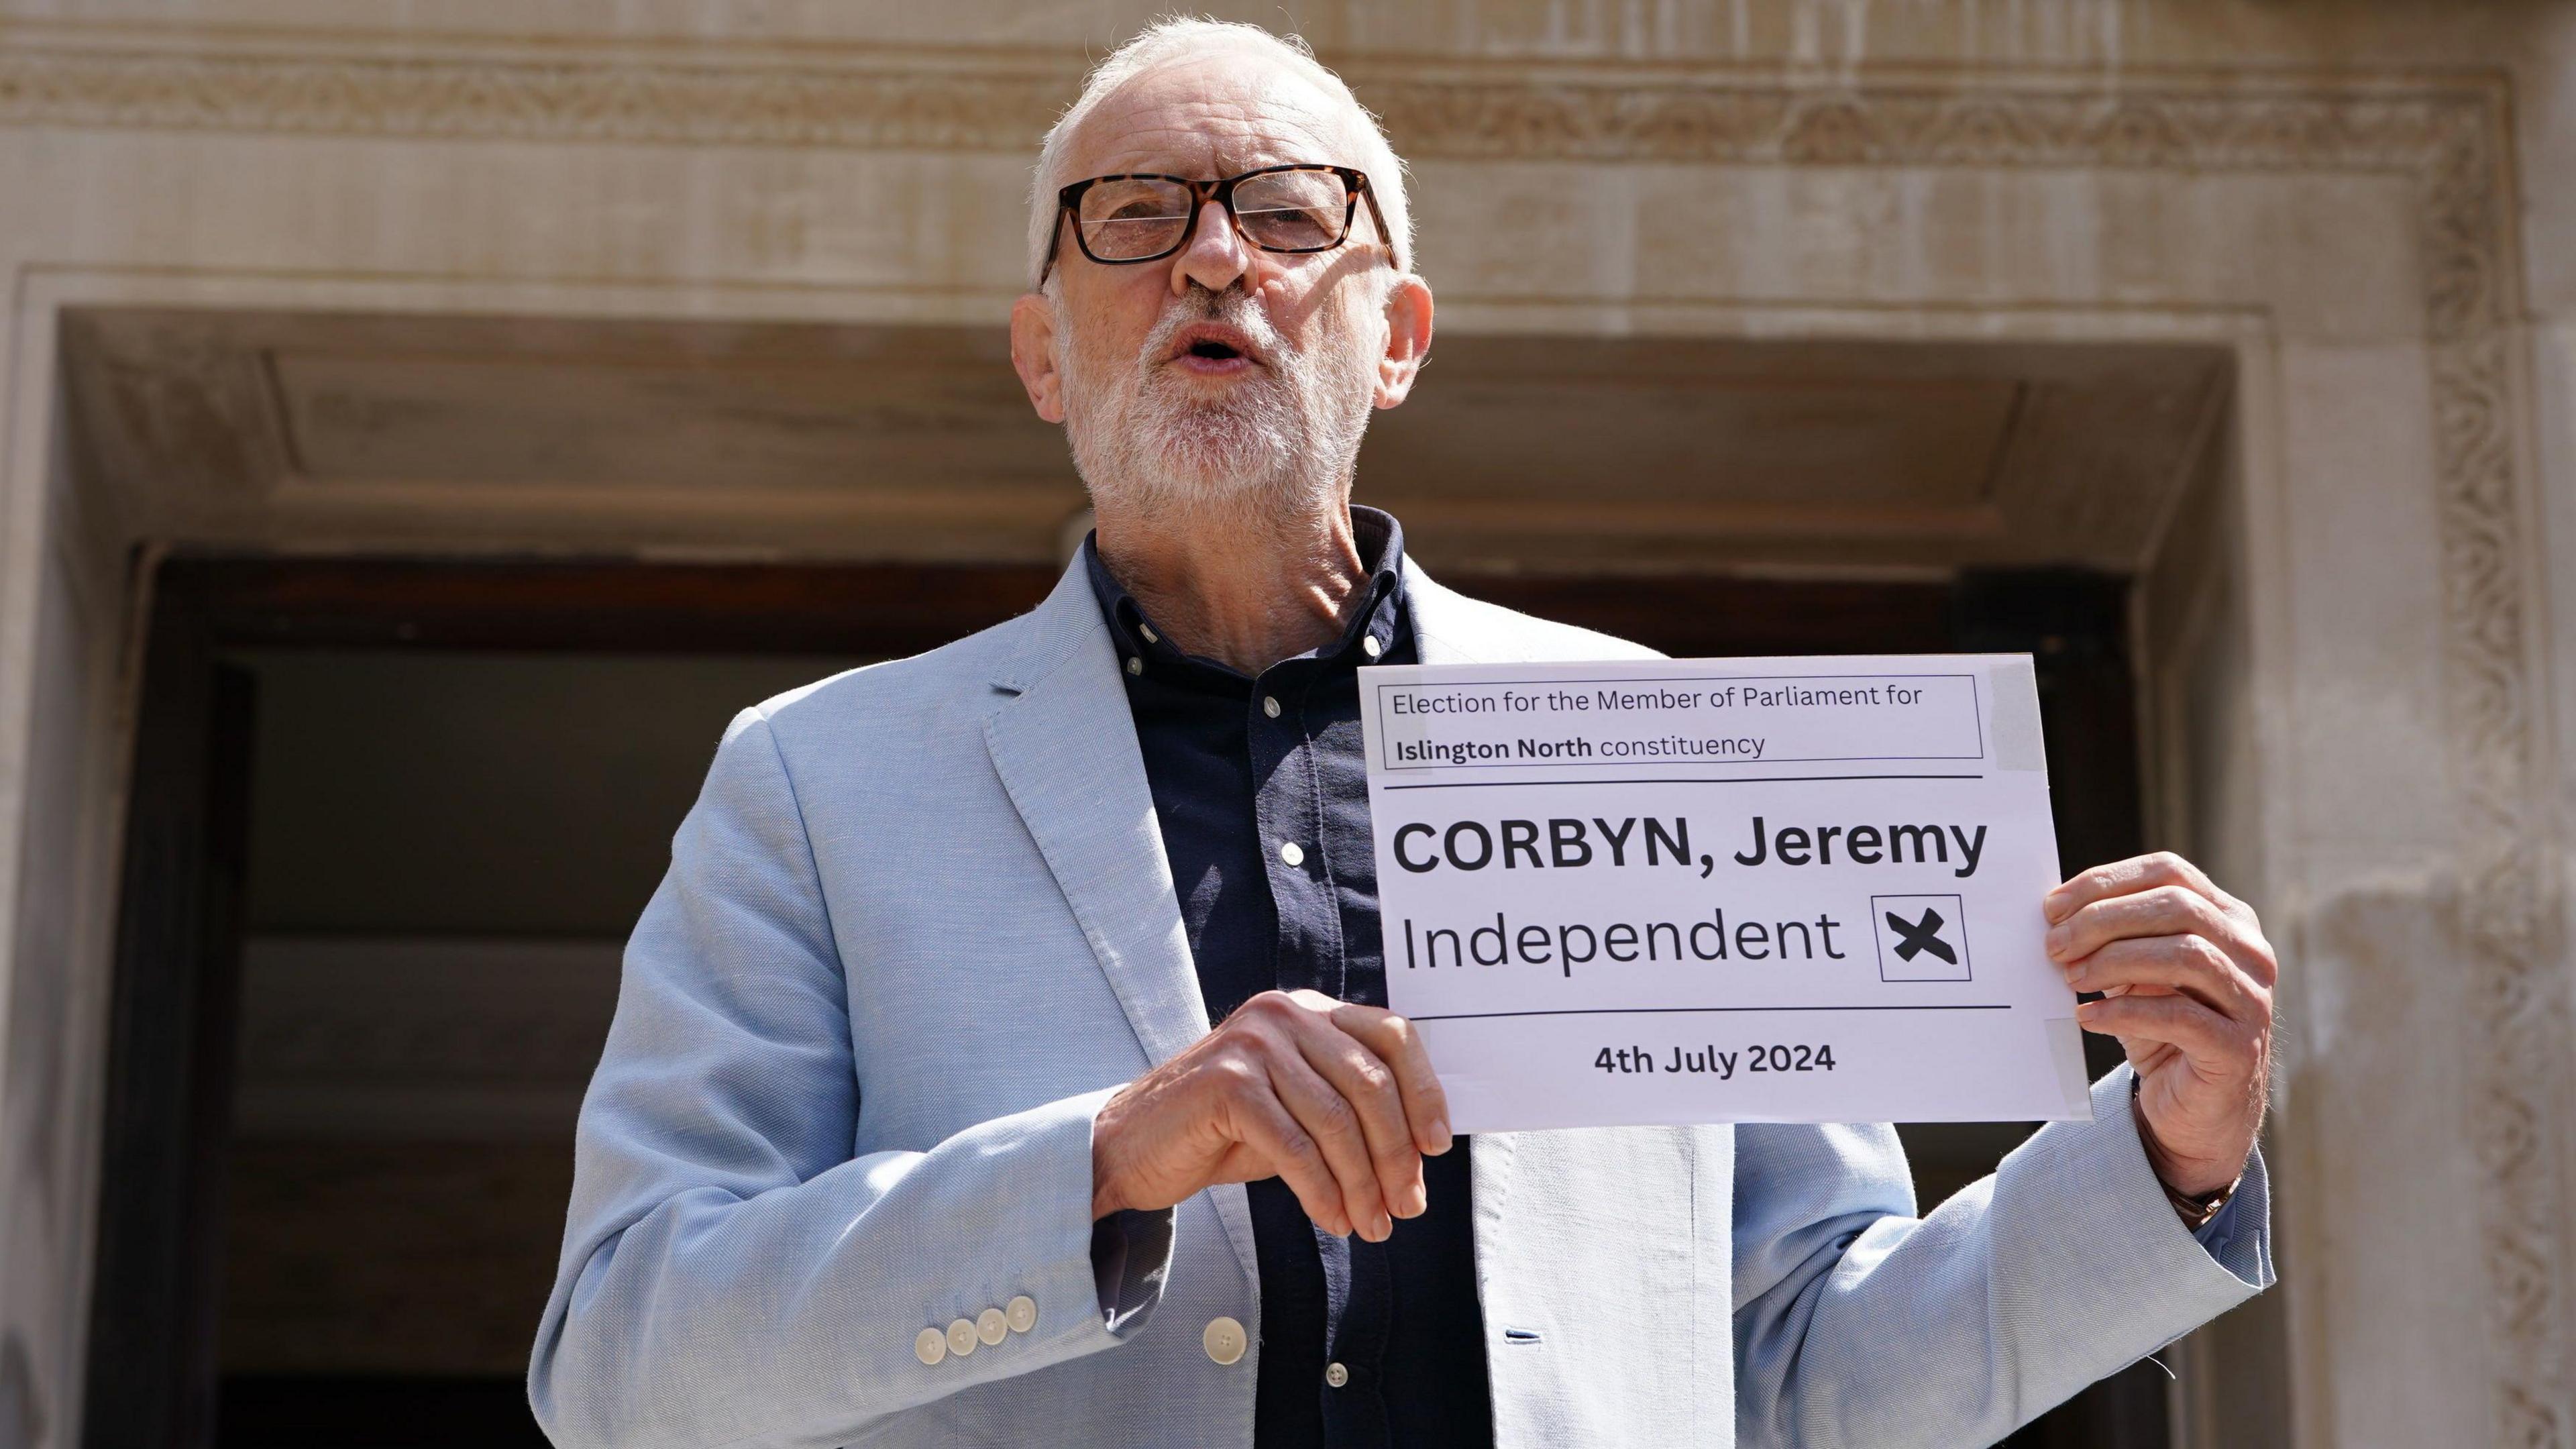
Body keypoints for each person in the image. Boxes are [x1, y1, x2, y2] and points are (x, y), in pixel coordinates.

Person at [529, 19, 2275, 1448]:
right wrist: (1114, 1162)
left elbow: (1807, 1370)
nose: (1215, 254)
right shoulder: (818, 783)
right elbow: (623, 1363)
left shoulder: (1659, 745)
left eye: (1291, 213)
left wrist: (2166, 1154)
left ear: (1401, 338)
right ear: (1043, 354)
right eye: (1133, 215)